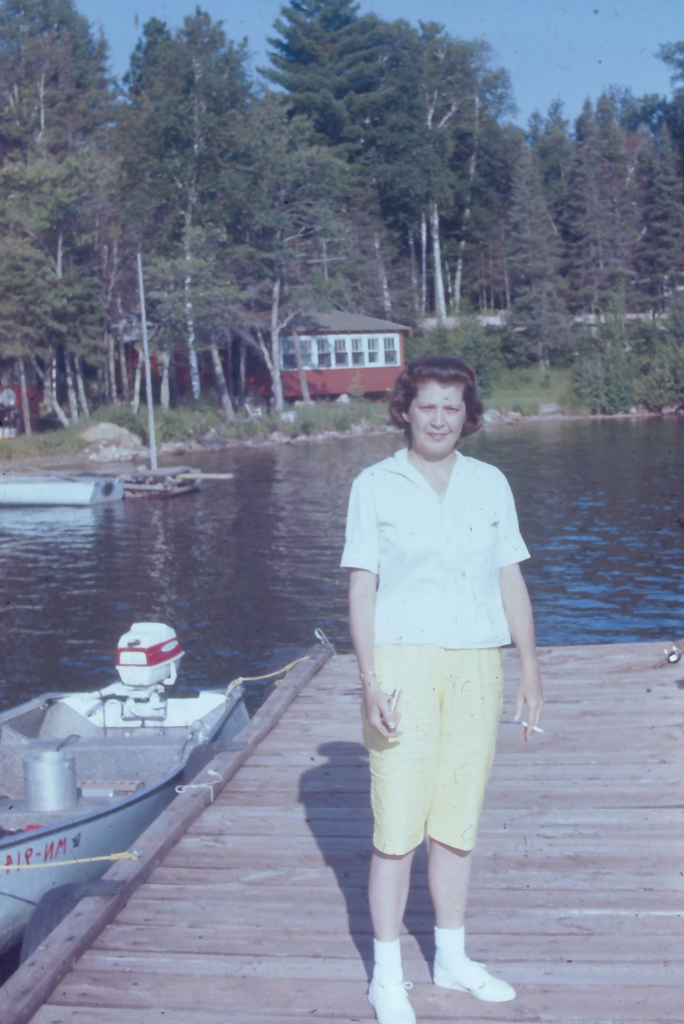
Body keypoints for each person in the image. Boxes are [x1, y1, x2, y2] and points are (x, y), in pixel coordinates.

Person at [341, 354, 543, 1024]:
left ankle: (452, 959)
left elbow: (510, 578)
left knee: (456, 823)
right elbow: (362, 588)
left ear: (467, 415)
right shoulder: (375, 485)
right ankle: (387, 976)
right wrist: (369, 682)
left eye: (451, 408)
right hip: (401, 665)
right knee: (397, 829)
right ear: (405, 410)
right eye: (426, 406)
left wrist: (530, 669)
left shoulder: (490, 483)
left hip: (476, 664)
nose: (438, 419)